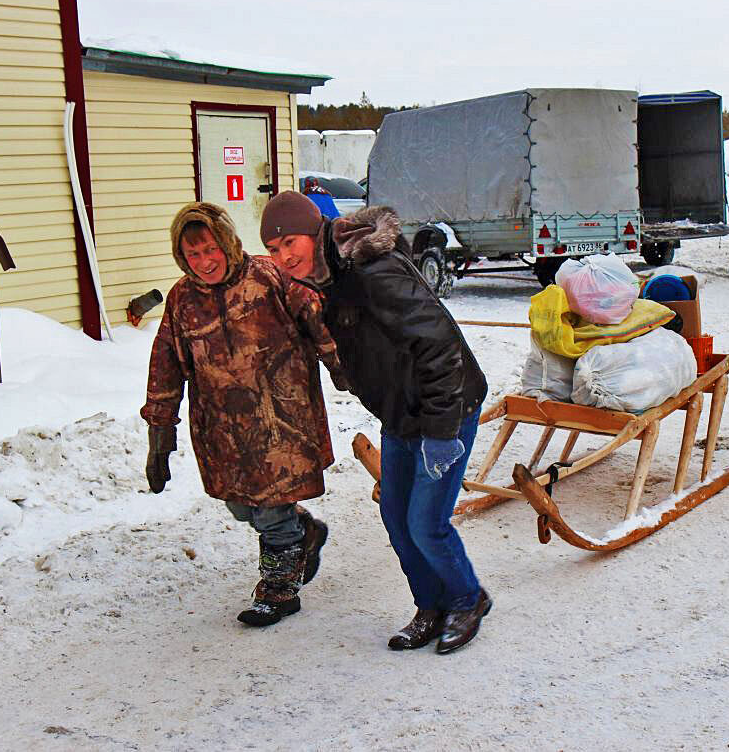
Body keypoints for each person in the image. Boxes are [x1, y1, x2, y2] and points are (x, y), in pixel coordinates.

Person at [260, 190, 491, 654]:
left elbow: (439, 345)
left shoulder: (371, 272)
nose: (284, 256)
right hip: (401, 412)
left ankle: (468, 599)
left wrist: (443, 433)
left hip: (444, 408)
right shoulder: (330, 278)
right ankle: (429, 606)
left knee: (426, 523)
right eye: (273, 249)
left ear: (316, 233)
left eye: (291, 243)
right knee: (397, 520)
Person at [142, 201, 349, 626]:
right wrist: (160, 432)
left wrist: (343, 366)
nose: (204, 262)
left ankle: (278, 588)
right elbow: (165, 361)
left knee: (271, 506)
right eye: (193, 255)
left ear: (227, 243)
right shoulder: (182, 299)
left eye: (210, 249)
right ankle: (303, 533)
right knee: (240, 506)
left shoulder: (268, 276)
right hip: (221, 429)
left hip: (280, 419)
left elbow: (316, 318)